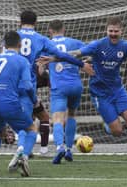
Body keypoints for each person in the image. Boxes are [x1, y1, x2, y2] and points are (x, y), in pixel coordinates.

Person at [38, 16, 127, 169]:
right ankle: (108, 125)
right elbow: (75, 54)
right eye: (110, 31)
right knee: (117, 131)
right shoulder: (97, 45)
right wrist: (53, 59)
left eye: (116, 31)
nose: (113, 34)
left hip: (118, 90)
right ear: (106, 30)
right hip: (100, 93)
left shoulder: (125, 46)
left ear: (121, 31)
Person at [7, 10, 94, 169]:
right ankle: (64, 149)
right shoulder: (43, 40)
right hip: (51, 85)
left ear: (20, 21)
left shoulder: (14, 37)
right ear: (36, 22)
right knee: (59, 117)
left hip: (12, 85)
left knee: (30, 121)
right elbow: (85, 53)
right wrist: (83, 63)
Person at [0, 31, 36, 177]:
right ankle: (23, 156)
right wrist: (34, 101)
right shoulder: (22, 61)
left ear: (4, 44)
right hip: (10, 103)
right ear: (19, 44)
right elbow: (28, 86)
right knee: (31, 129)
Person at [46, 19, 86, 163]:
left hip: (59, 86)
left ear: (50, 30)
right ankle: (69, 149)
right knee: (72, 115)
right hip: (76, 85)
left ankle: (60, 147)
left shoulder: (47, 44)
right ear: (64, 29)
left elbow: (40, 62)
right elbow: (90, 53)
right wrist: (85, 63)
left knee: (57, 118)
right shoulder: (74, 42)